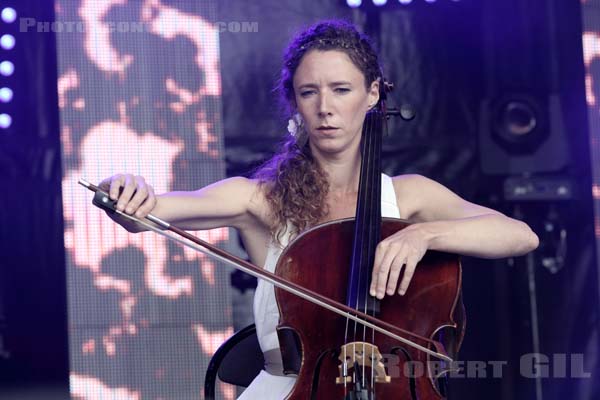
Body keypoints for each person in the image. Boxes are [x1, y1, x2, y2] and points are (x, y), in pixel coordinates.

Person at [99, 19, 539, 399]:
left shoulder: (410, 197)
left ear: (371, 96)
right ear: (295, 102)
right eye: (309, 92)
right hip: (292, 389)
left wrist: (423, 234)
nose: (325, 108)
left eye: (341, 90)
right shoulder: (261, 198)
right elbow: (152, 213)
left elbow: (520, 235)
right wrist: (128, 192)